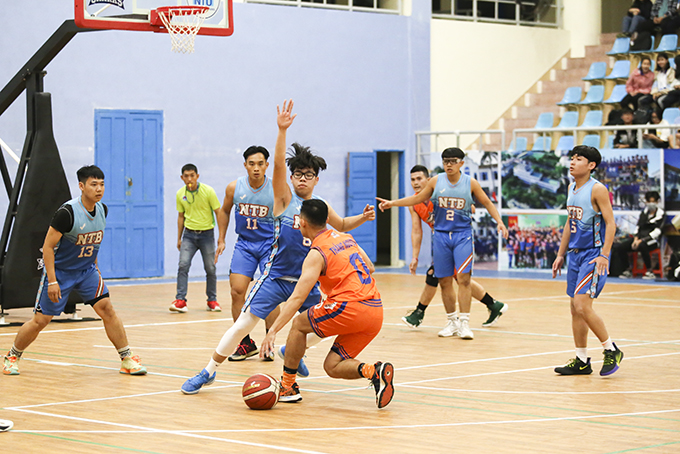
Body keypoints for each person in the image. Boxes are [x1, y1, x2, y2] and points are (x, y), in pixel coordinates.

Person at [180, 100, 375, 395]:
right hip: (276, 276)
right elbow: (280, 163)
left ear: (316, 179)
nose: (301, 179)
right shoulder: (283, 198)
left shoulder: (321, 207)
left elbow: (343, 225)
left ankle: (290, 350)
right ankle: (208, 370)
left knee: (324, 327)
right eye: (297, 174)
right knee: (244, 324)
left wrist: (363, 217)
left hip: (306, 283)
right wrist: (281, 130)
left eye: (308, 174)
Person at [3, 166, 147, 376]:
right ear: (81, 186)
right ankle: (12, 356)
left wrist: (95, 269)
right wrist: (52, 281)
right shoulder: (67, 213)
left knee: (107, 308)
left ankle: (126, 358)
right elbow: (48, 248)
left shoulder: (102, 210)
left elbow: (93, 242)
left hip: (86, 271)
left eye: (102, 184)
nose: (99, 189)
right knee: (40, 321)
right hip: (61, 274)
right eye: (94, 184)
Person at [260, 199, 394, 407]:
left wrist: (273, 331)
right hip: (375, 311)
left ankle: (288, 385)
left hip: (349, 306)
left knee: (299, 324)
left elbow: (297, 298)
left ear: (302, 223)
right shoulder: (346, 237)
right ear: (328, 219)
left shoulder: (316, 253)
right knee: (332, 366)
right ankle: (374, 371)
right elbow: (370, 267)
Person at [377, 148, 509, 340]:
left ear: (460, 163)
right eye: (412, 180)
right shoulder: (422, 197)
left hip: (461, 235)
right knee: (445, 279)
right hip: (440, 237)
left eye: (419, 179)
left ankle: (441, 317)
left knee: (460, 278)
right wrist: (393, 204)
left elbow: (480, 204)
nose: (416, 183)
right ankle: (465, 315)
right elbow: (416, 229)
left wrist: (499, 221)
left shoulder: (462, 184)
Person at [552, 146, 623, 377]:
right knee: (574, 308)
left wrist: (604, 254)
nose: (572, 162)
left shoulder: (598, 189)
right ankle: (582, 360)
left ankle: (611, 349)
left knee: (583, 305)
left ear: (591, 165)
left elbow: (611, 224)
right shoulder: (572, 187)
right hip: (575, 253)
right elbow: (568, 223)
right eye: (571, 158)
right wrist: (561, 254)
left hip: (594, 254)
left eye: (578, 159)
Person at [213, 146, 277, 361]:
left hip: (270, 245)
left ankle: (269, 342)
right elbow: (224, 210)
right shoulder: (234, 187)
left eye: (260, 164)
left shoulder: (276, 189)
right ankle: (245, 343)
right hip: (245, 244)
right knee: (237, 291)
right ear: (245, 165)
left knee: (270, 294)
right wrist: (221, 239)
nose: (256, 168)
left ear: (267, 165)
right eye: (252, 164)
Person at [169, 164, 221, 313]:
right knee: (183, 265)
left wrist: (221, 238)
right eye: (186, 176)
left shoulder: (208, 191)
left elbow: (218, 212)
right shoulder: (180, 194)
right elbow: (180, 216)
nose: (190, 179)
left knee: (210, 268)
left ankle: (212, 300)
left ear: (197, 176)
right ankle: (180, 300)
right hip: (189, 235)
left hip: (207, 234)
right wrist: (179, 238)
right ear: (182, 178)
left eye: (192, 175)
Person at [611, 191, 665, 279]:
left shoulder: (661, 214)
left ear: (657, 201)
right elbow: (638, 227)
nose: (651, 204)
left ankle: (649, 271)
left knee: (643, 246)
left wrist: (641, 240)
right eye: (649, 201)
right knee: (621, 247)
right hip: (639, 239)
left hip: (652, 241)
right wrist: (636, 239)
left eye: (653, 201)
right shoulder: (644, 213)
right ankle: (627, 269)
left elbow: (657, 232)